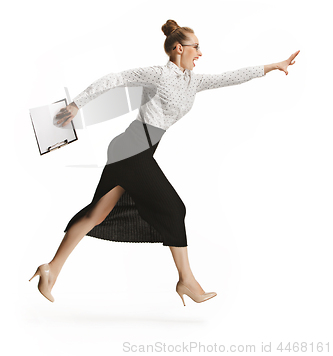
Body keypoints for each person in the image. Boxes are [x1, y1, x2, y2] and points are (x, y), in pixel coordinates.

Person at [29, 20, 300, 305]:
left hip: (137, 152)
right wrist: (76, 105)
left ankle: (50, 269)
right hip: (130, 149)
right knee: (173, 208)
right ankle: (187, 280)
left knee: (96, 215)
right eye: (196, 47)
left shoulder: (193, 81)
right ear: (178, 48)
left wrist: (273, 66)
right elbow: (114, 78)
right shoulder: (158, 75)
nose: (200, 53)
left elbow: (229, 77)